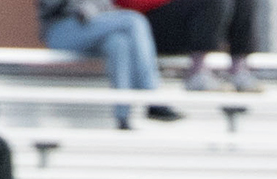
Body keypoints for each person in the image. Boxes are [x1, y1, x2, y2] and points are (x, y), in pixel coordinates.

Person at [38, 0, 183, 129]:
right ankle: (153, 99)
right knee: (134, 20)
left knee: (119, 43)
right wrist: (80, 6)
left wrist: (95, 8)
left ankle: (122, 116)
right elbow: (50, 5)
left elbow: (105, 6)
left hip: (92, 24)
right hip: (61, 29)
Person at [115, 0, 259, 92]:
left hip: (185, 26)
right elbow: (129, 4)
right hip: (144, 30)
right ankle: (197, 72)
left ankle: (239, 70)